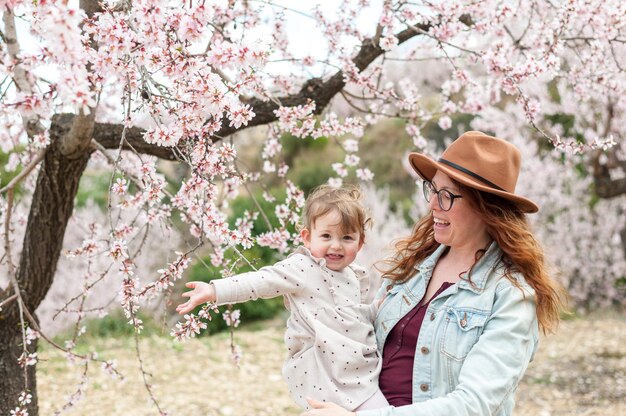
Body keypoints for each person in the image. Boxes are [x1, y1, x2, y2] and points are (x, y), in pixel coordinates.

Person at [301, 131, 567, 416]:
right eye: (432, 190)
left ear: (486, 207)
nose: (432, 205)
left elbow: (473, 405)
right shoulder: (411, 267)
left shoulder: (510, 296)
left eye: (447, 196)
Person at [176, 185, 389, 411]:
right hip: (322, 371)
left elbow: (350, 316)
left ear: (360, 242)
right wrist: (215, 290)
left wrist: (376, 310)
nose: (336, 245)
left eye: (347, 237)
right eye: (326, 236)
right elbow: (261, 281)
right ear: (307, 237)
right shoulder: (303, 268)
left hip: (355, 370)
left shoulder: (351, 275)